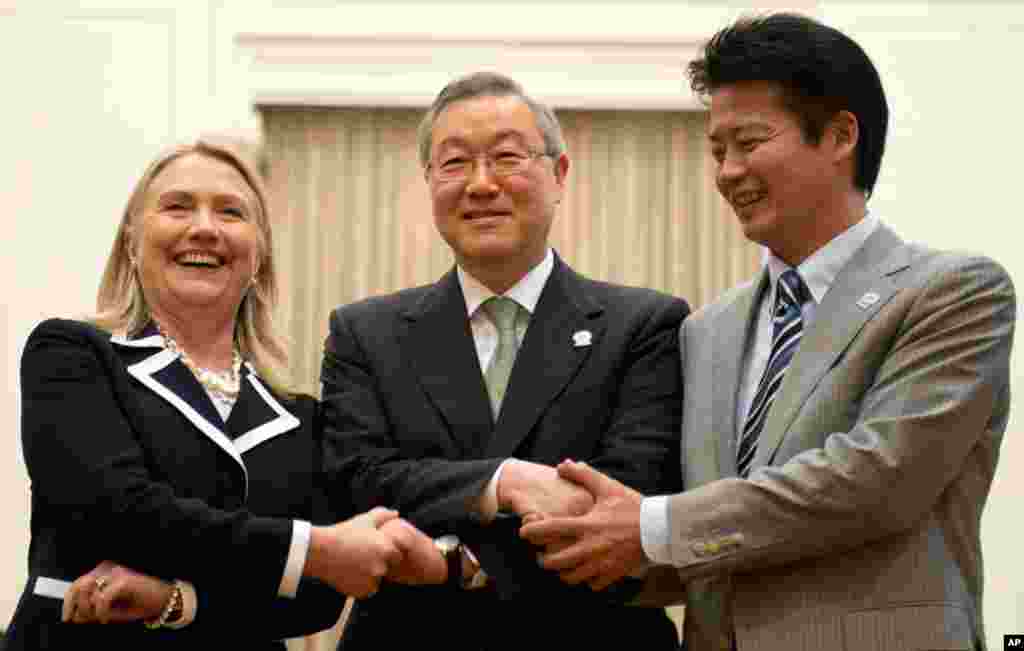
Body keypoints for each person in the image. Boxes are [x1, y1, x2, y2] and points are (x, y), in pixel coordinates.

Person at [522, 12, 1016, 651]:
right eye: (717, 151)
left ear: (840, 135)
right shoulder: (707, 329)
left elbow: (879, 479)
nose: (728, 171)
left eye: (749, 142)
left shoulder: (952, 293)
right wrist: (590, 538)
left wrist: (651, 525)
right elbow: (714, 534)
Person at [6, 140, 445, 650]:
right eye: (177, 206)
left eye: (230, 212)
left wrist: (175, 601)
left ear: (259, 255)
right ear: (131, 241)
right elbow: (116, 510)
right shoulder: (71, 354)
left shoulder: (300, 416)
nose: (204, 228)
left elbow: (318, 600)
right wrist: (313, 548)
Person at [320, 72, 689, 650]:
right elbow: (356, 486)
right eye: (455, 163)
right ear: (429, 180)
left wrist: (452, 561)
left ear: (559, 174)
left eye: (507, 158)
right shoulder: (364, 334)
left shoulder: (644, 326)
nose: (481, 184)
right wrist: (501, 482)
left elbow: (623, 505)